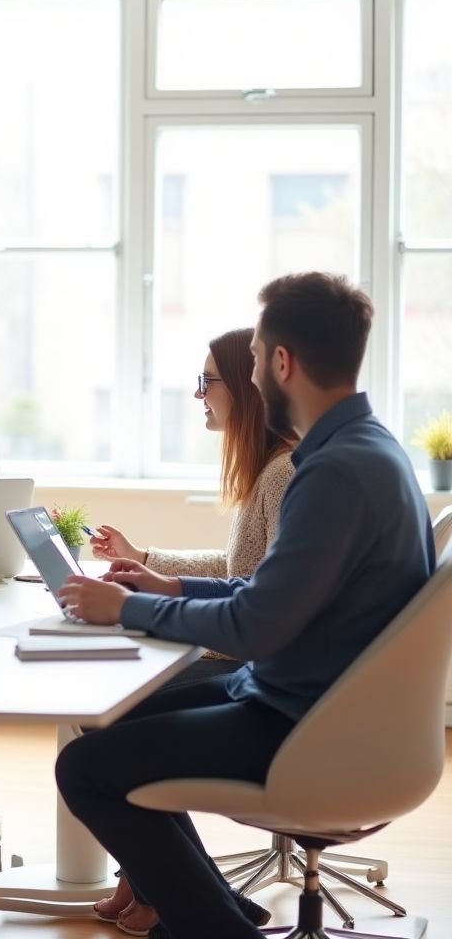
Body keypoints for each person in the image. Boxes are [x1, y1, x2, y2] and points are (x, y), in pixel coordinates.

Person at [54, 272, 435, 939]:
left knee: (84, 769)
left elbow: (255, 626)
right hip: (312, 699)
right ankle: (216, 915)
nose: (252, 377)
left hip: (306, 724)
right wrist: (171, 588)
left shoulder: (334, 472)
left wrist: (124, 610)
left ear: (281, 362)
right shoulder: (367, 450)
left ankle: (214, 928)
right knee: (113, 713)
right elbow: (272, 591)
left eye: (255, 359)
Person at [88, 327, 294, 934]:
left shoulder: (282, 474)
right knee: (111, 713)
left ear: (247, 388)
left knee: (112, 716)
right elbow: (239, 569)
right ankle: (168, 887)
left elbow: (260, 595)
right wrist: (146, 561)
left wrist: (146, 598)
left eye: (208, 381)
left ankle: (160, 888)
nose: (199, 394)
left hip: (249, 662)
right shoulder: (268, 469)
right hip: (243, 651)